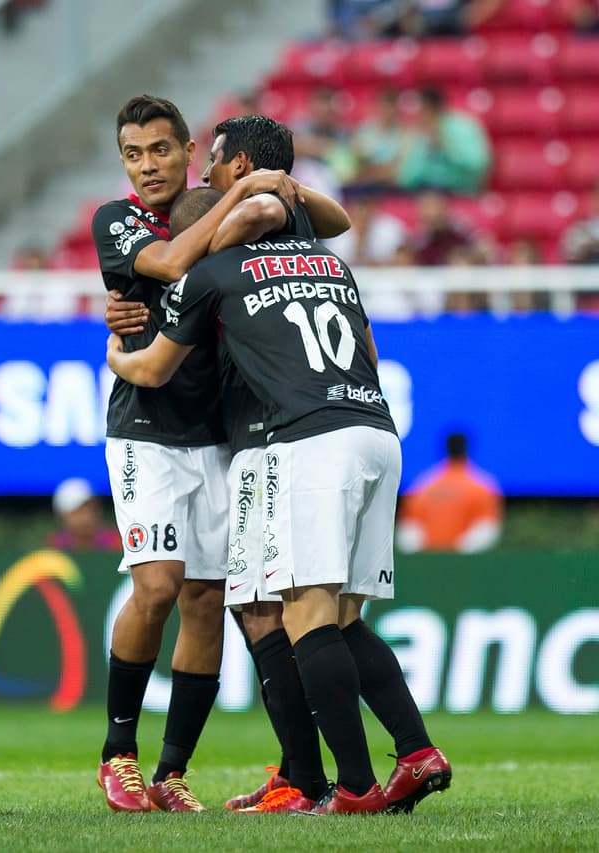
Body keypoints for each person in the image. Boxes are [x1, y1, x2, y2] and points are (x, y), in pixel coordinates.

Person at [107, 116, 451, 814]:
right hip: (374, 427)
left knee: (304, 615)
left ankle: (349, 787)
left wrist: (112, 353)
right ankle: (412, 754)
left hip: (298, 440)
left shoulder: (214, 272)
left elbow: (150, 361)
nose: (197, 174)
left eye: (205, 163)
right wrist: (271, 192)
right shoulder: (330, 262)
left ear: (226, 168)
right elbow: (370, 347)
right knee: (342, 619)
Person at [91, 95, 352, 815]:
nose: (147, 165)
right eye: (133, 154)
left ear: (186, 150)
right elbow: (173, 260)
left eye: (160, 150)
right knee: (157, 586)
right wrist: (244, 189)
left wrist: (279, 182)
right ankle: (119, 754)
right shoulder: (117, 220)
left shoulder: (221, 199)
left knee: (208, 600)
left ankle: (173, 771)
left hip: (224, 435)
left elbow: (336, 222)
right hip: (147, 423)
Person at [397, 432, 503, 553]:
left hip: (428, 563)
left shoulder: (422, 486)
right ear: (467, 449)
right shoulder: (483, 487)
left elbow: (408, 534)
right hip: (466, 566)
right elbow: (487, 530)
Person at [46, 477, 121, 551]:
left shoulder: (115, 541)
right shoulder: (56, 545)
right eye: (77, 511)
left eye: (91, 508)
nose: (85, 516)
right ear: (62, 515)